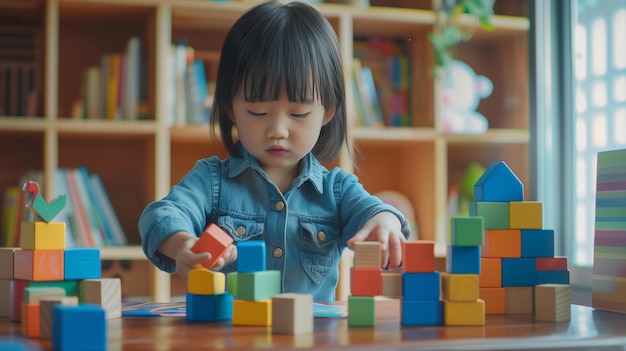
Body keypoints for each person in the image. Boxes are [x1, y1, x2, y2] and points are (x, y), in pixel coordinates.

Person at [139, 1, 410, 302]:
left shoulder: (337, 190)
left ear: (328, 111)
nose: (277, 130)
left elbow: (374, 211)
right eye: (257, 112)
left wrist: (387, 221)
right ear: (230, 108)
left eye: (298, 114)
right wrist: (182, 246)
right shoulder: (212, 181)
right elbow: (161, 215)